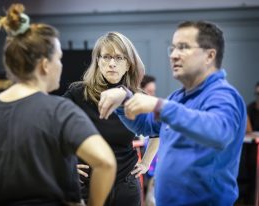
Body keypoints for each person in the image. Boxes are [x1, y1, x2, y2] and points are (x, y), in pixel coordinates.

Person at [0, 4, 116, 206]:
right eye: (59, 58)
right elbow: (105, 162)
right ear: (44, 65)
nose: (60, 65)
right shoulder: (59, 111)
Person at [98, 21, 247, 206]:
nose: (174, 55)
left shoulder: (223, 96)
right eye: (173, 48)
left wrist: (161, 106)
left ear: (210, 55)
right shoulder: (178, 97)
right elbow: (146, 125)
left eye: (183, 47)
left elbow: (217, 131)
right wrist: (124, 100)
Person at [64, 31, 159, 206]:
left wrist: (146, 163)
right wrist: (64, 164)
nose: (112, 64)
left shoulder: (137, 97)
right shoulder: (78, 93)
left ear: (129, 64)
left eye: (119, 58)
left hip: (125, 186)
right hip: (86, 186)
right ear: (98, 61)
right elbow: (52, 128)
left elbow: (157, 131)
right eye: (106, 57)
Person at [140, 75, 158, 206]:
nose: (152, 95)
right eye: (149, 91)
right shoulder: (129, 110)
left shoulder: (155, 109)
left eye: (154, 92)